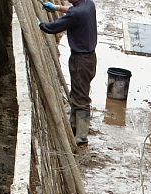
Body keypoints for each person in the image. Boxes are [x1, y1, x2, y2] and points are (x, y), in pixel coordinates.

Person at [40, 0, 97, 146]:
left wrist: (39, 25)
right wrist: (57, 8)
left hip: (80, 60)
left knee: (81, 97)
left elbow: (53, 28)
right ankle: (75, 127)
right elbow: (72, 10)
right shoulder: (89, 4)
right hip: (89, 58)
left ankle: (82, 136)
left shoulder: (75, 14)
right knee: (78, 92)